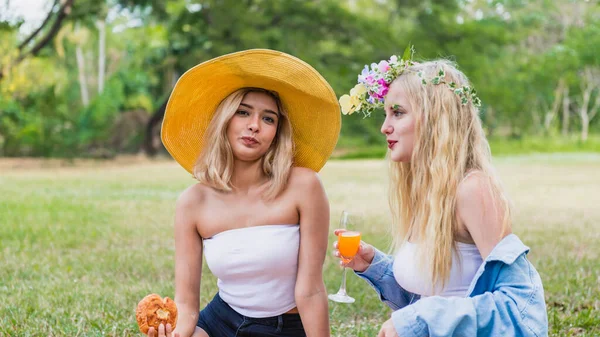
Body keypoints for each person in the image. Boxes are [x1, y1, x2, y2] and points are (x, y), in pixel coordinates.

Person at [335, 48, 548, 337]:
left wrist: (419, 320)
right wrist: (374, 265)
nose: (385, 127)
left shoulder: (473, 189)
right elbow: (433, 299)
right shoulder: (429, 195)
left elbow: (520, 310)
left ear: (436, 118)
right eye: (386, 114)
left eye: (397, 112)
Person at [150, 49, 341, 337]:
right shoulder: (193, 202)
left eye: (268, 119)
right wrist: (175, 333)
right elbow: (187, 303)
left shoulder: (304, 186)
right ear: (224, 121)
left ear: (277, 133)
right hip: (221, 321)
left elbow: (311, 291)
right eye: (243, 112)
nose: (254, 125)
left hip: (286, 326)